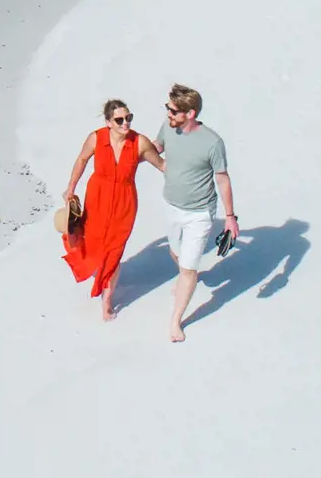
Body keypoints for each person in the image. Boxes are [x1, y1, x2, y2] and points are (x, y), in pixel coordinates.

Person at [151, 83, 235, 343]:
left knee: (188, 269)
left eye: (173, 111)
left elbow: (222, 180)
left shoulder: (212, 142)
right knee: (175, 252)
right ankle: (187, 275)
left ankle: (176, 320)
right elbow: (156, 146)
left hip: (200, 212)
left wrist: (230, 218)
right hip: (171, 205)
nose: (168, 114)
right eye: (168, 108)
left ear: (190, 113)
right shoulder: (168, 127)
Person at [59, 98, 150, 317]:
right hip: (98, 196)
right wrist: (70, 188)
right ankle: (96, 269)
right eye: (119, 119)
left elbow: (161, 163)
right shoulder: (96, 138)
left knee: (115, 249)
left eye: (129, 118)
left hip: (125, 202)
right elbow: (82, 160)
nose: (125, 123)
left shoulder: (139, 142)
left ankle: (107, 300)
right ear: (108, 122)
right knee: (92, 241)